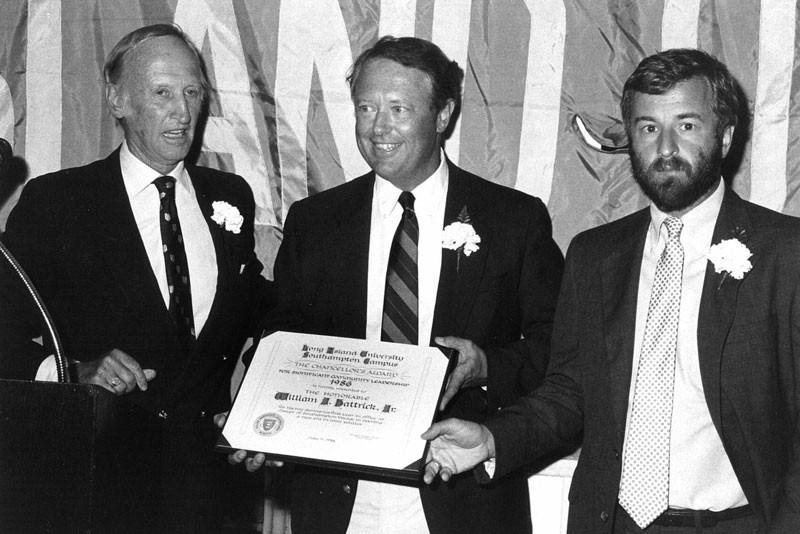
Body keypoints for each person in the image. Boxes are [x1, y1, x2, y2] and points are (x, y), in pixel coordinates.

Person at [422, 48, 800, 533]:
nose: (665, 147)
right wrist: (492, 439)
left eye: (686, 125)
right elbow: (570, 392)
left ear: (725, 137)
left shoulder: (786, 254)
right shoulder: (596, 255)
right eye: (647, 128)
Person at [237, 36, 564, 534]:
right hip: (338, 500)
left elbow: (557, 350)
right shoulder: (315, 222)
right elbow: (283, 342)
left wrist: (485, 366)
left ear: (443, 114)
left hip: (461, 495)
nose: (377, 128)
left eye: (398, 108)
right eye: (366, 107)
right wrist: (262, 419)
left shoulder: (513, 220)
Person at [0, 24, 264, 533]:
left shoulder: (231, 197)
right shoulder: (58, 203)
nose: (183, 112)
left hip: (210, 492)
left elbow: (254, 315)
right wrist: (68, 370)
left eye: (192, 92)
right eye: (162, 92)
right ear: (117, 99)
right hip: (96, 485)